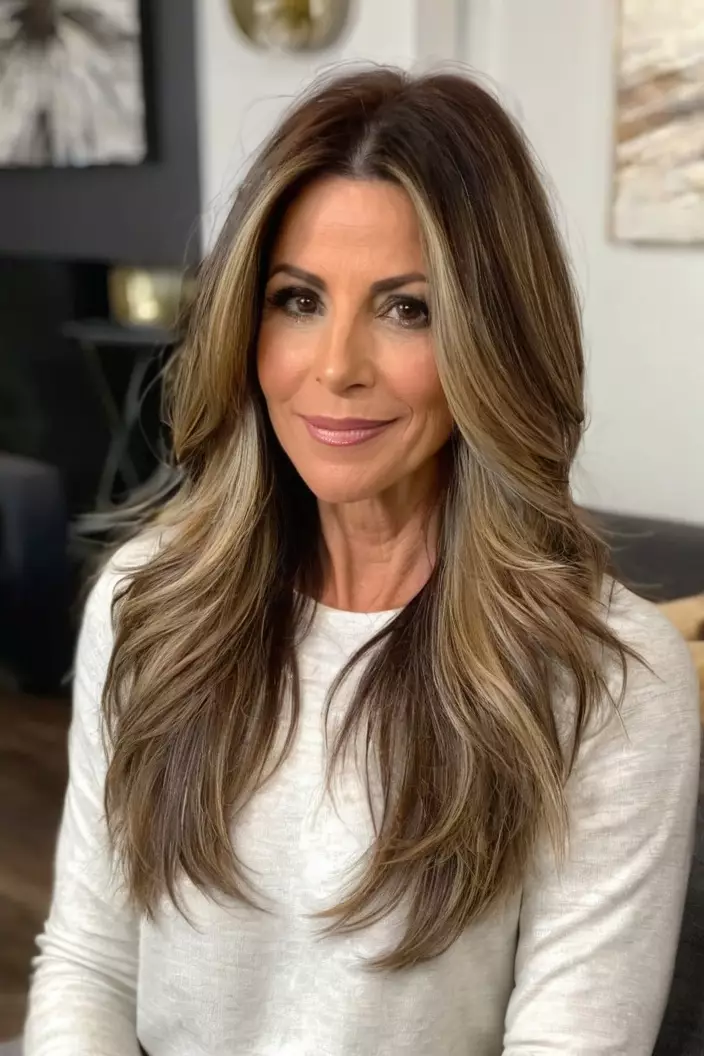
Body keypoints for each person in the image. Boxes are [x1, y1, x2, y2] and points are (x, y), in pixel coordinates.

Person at [25, 67, 700, 1056]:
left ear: (494, 341)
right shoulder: (145, 602)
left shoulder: (608, 678)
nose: (335, 366)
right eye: (297, 299)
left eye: (406, 309)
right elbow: (91, 963)